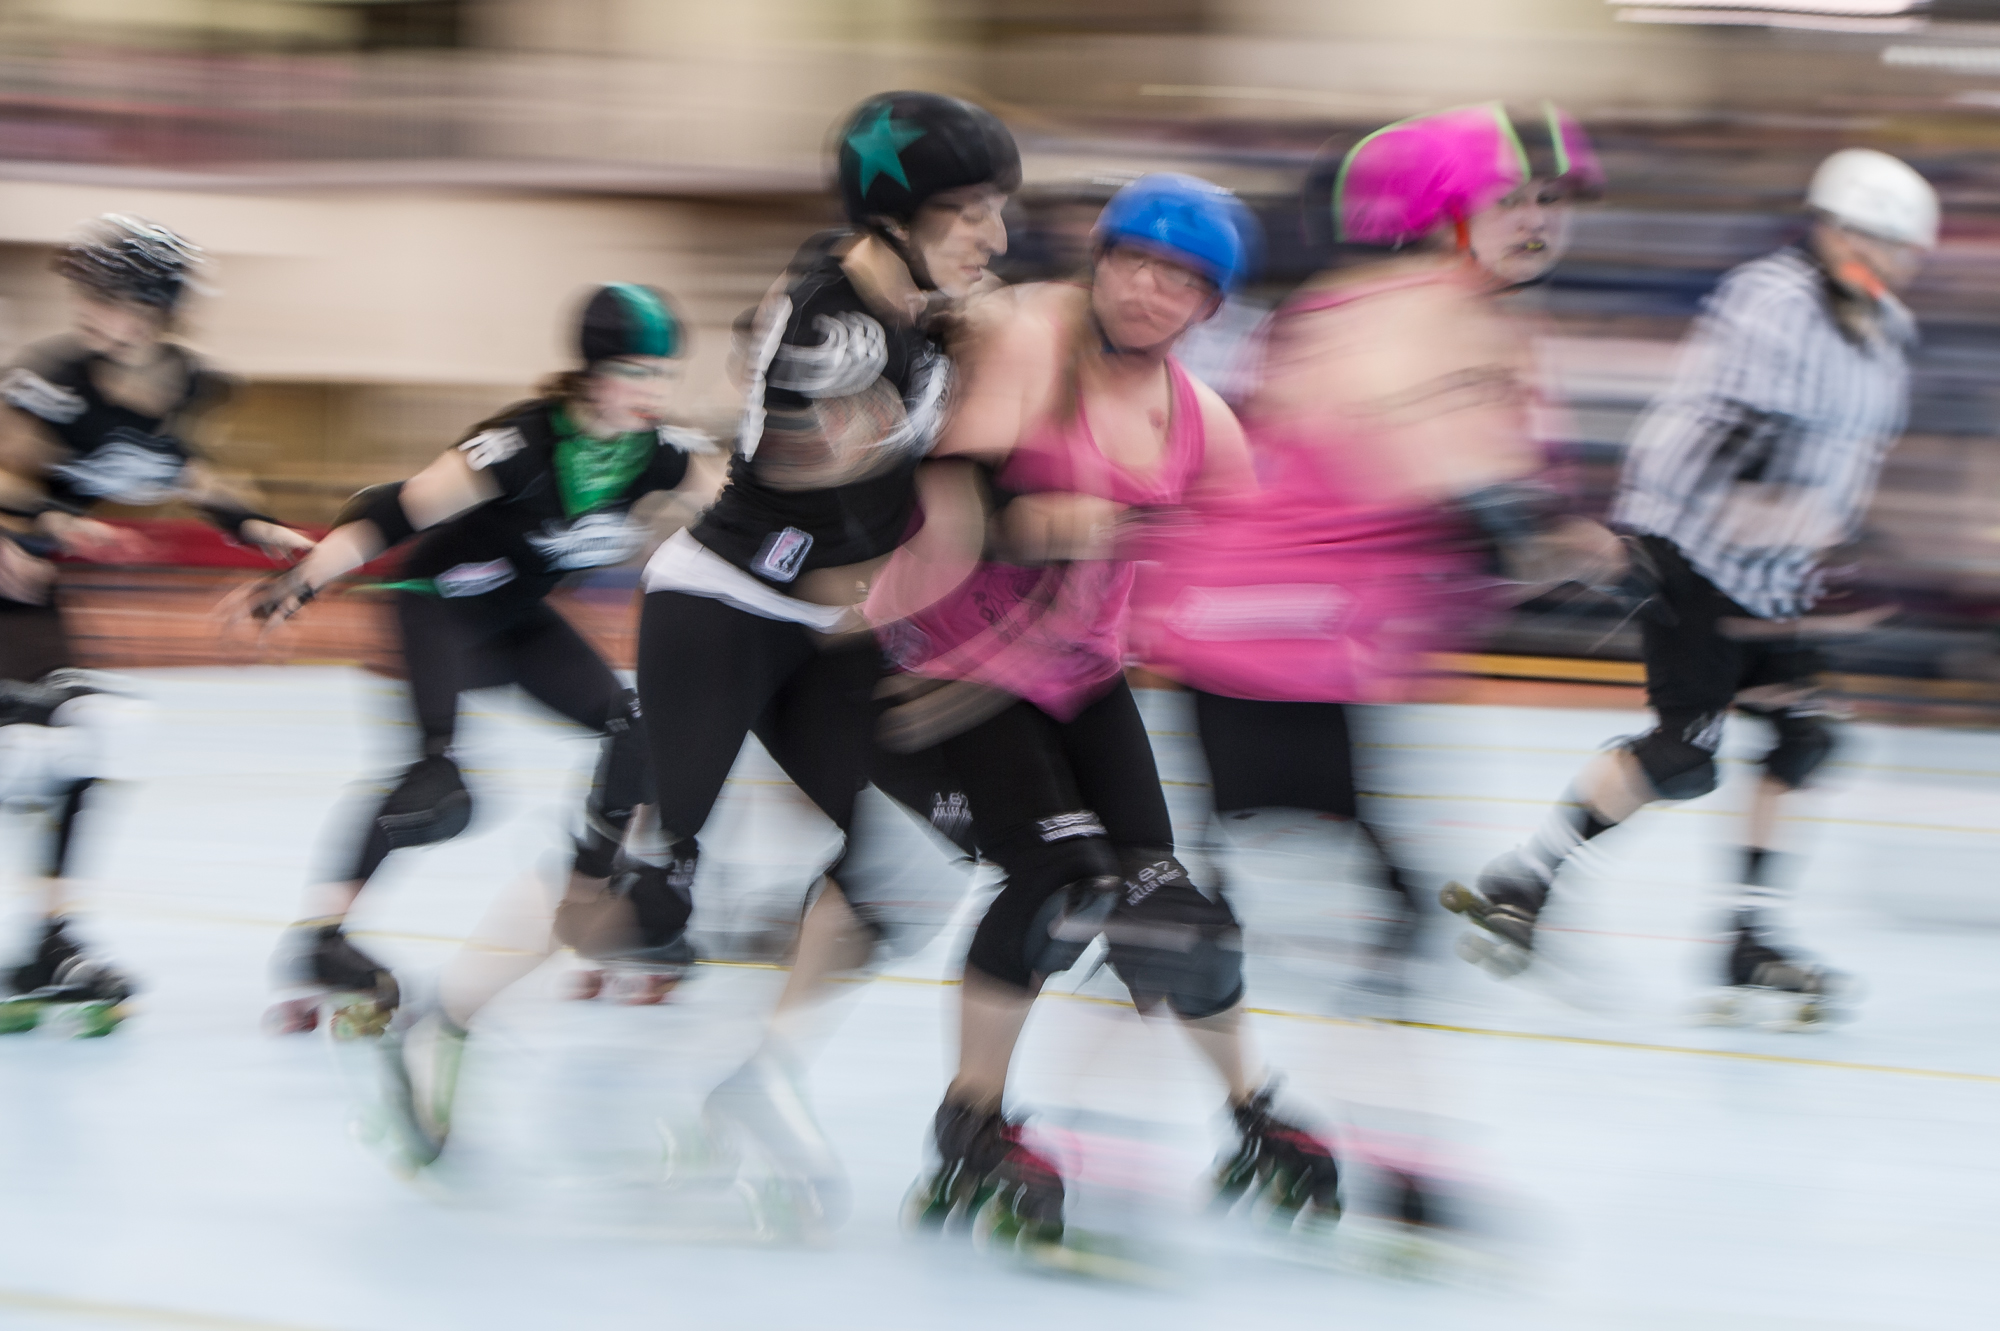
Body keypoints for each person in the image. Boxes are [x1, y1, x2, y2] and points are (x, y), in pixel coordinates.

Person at [877, 173, 1341, 1253]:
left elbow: (1236, 573)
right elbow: (940, 488)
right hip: (954, 662)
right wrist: (1033, 520)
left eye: (1179, 280)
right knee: (1050, 879)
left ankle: (1249, 1109)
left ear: (1204, 307)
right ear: (1100, 260)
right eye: (1135, 262)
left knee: (1166, 911)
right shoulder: (1027, 338)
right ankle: (971, 1121)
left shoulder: (1201, 419)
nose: (1149, 289)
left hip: (1080, 671)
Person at [1444, 147, 1936, 1027]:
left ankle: (1747, 939)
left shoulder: (1887, 331)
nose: (1897, 264)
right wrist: (1776, 546)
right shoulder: (1773, 300)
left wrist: (1843, 555)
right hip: (1692, 546)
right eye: (1882, 243)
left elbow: (1850, 462)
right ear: (1835, 231)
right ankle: (1524, 881)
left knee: (1805, 738)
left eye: (1906, 251)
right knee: (1684, 755)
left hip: (1777, 569)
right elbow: (1738, 449)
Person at [1133, 103, 1611, 971]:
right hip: (1260, 607)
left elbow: (1500, 477)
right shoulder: (1383, 311)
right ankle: (1176, 906)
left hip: (1311, 617)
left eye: (1551, 201)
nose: (1540, 222)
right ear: (1445, 211)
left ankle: (1208, 901)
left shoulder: (1480, 322)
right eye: (1514, 201)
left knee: (1303, 797)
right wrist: (1528, 523)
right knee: (1274, 798)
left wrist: (1557, 533)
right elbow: (1415, 455)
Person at [233, 282, 708, 1038]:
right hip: (438, 607)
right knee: (438, 792)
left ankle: (595, 902)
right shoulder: (520, 444)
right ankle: (321, 940)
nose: (654, 392)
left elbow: (750, 513)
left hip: (517, 618)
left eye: (663, 374)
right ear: (592, 375)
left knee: (636, 729)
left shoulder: (660, 456)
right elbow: (398, 505)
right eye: (635, 373)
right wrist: (304, 578)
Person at [0, 215, 312, 1016]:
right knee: (27, 751)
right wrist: (46, 524)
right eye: (89, 294)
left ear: (154, 307)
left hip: (28, 592)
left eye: (108, 295)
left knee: (90, 739)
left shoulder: (186, 384)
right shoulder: (53, 377)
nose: (89, 309)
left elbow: (189, 473)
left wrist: (251, 525)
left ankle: (50, 942)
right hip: (16, 561)